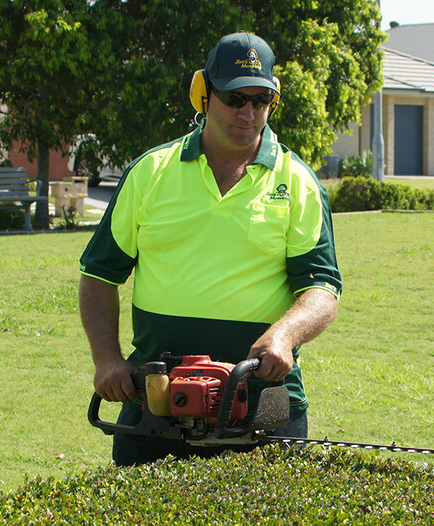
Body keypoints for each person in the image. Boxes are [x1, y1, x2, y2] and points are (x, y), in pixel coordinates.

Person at [79, 31, 341, 466]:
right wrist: (106, 359)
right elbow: (99, 274)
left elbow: (322, 289)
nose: (249, 112)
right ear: (203, 94)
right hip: (156, 402)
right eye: (236, 97)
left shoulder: (298, 183)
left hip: (264, 406)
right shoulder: (149, 174)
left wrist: (284, 335)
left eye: (261, 99)